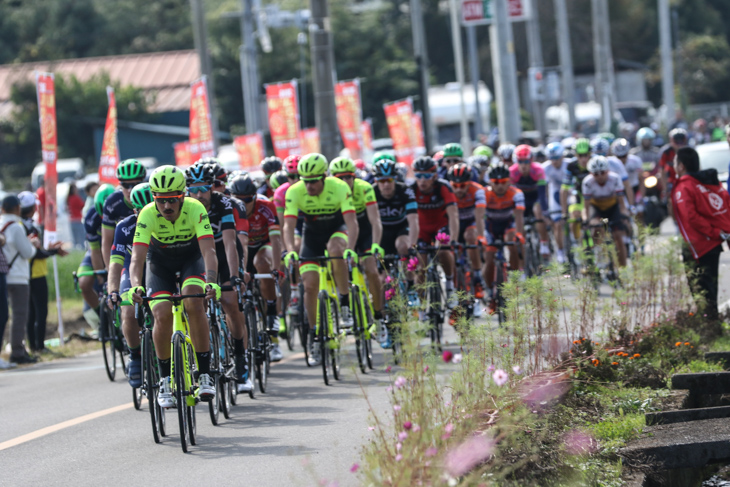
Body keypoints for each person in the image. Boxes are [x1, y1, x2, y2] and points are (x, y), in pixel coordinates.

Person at [129, 165, 221, 408]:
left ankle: (204, 374)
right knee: (160, 313)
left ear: (182, 196)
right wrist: (135, 287)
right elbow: (137, 259)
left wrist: (211, 281)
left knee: (193, 301)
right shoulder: (147, 214)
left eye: (172, 200)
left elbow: (209, 250)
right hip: (160, 263)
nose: (167, 206)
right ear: (154, 199)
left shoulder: (195, 208)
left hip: (191, 259)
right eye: (161, 200)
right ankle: (165, 380)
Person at [282, 153, 359, 366]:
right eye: (305, 181)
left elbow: (351, 222)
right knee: (310, 285)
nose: (309, 186)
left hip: (336, 229)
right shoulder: (294, 191)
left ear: (324, 176)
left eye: (313, 181)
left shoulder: (340, 187)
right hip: (312, 236)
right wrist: (290, 250)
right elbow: (288, 226)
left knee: (337, 249)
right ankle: (314, 335)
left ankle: (344, 303)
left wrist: (351, 249)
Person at [329, 157, 386, 345]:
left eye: (348, 177)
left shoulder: (364, 188)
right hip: (344, 231)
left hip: (365, 233)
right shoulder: (331, 191)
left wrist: (376, 244)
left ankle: (379, 317)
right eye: (339, 178)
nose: (345, 182)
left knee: (371, 270)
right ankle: (344, 301)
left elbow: (375, 219)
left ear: (355, 176)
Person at [228, 174, 285, 362]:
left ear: (255, 196)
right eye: (239, 200)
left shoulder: (266, 207)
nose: (244, 204)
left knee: (262, 263)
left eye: (248, 200)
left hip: (262, 246)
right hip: (240, 249)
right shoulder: (229, 209)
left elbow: (276, 240)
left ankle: (271, 311)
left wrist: (276, 268)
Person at [673, 147, 730, 323]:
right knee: (709, 286)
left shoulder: (685, 186)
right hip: (712, 243)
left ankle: (711, 326)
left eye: (675, 162)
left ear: (681, 166)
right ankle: (713, 324)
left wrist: (714, 233)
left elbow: (690, 217)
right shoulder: (705, 183)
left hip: (699, 246)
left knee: (701, 288)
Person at [18, 191, 67, 352]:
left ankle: (33, 345)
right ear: (33, 207)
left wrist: (49, 249)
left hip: (25, 274)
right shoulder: (29, 227)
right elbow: (35, 252)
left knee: (30, 313)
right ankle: (39, 346)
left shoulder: (19, 224)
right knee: (40, 312)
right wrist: (53, 252)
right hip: (36, 273)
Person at [410, 155, 460, 308]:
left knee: (443, 249)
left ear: (435, 176)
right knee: (420, 266)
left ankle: (450, 285)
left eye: (427, 176)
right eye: (418, 176)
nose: (422, 180)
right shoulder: (411, 189)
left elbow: (453, 215)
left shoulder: (443, 187)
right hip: (422, 230)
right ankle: (422, 307)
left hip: (441, 226)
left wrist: (454, 240)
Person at [0, 195, 38, 364]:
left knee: (4, 315)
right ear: (17, 208)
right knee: (19, 315)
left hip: (3, 275)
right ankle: (17, 351)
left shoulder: (1, 224)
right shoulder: (16, 226)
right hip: (18, 276)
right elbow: (27, 252)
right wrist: (33, 245)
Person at [483, 163, 525, 312]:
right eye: (495, 182)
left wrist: (519, 235)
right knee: (489, 259)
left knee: (513, 240)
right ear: (490, 182)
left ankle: (515, 276)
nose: (500, 186)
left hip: (508, 225)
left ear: (509, 181)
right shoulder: (485, 194)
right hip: (491, 228)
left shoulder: (516, 193)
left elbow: (519, 217)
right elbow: (479, 217)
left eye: (503, 182)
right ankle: (489, 293)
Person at [582, 156, 628, 268]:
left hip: (612, 207)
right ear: (591, 173)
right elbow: (586, 206)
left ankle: (623, 269)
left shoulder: (615, 178)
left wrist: (624, 214)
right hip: (596, 208)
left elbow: (621, 202)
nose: (600, 176)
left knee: (618, 237)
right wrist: (585, 220)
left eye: (602, 172)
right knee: (596, 229)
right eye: (596, 174)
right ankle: (598, 255)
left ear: (608, 171)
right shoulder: (587, 182)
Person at [67, 183, 85, 249]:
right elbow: (82, 205)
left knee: (74, 239)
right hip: (78, 219)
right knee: (81, 237)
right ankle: (82, 249)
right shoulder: (76, 198)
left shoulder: (68, 198)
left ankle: (75, 250)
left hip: (71, 220)